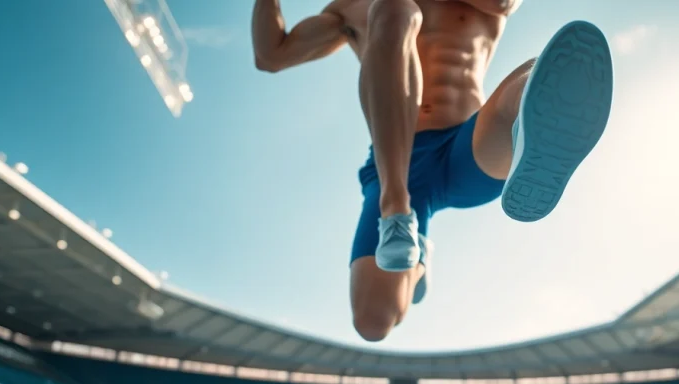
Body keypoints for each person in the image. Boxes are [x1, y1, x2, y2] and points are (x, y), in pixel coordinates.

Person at [252, 0, 612, 342]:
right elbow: (271, 55)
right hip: (395, 165)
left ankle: (533, 118)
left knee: (534, 82)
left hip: (466, 148)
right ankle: (405, 228)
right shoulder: (351, 7)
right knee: (373, 323)